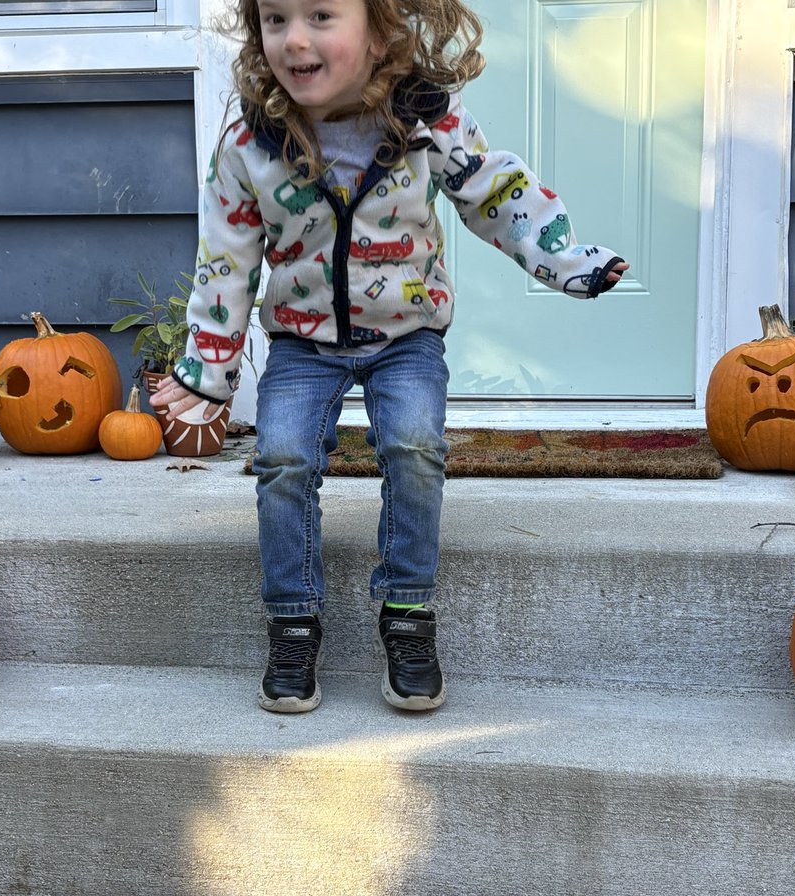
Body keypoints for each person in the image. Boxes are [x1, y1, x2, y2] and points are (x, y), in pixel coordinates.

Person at [150, 0, 629, 714]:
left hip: (406, 336)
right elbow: (226, 261)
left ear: (378, 32)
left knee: (413, 444)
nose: (295, 38)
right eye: (275, 19)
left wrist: (565, 260)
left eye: (320, 15)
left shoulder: (425, 120)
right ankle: (293, 620)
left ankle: (407, 614)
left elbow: (497, 192)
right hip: (303, 342)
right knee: (281, 457)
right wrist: (209, 372)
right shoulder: (251, 144)